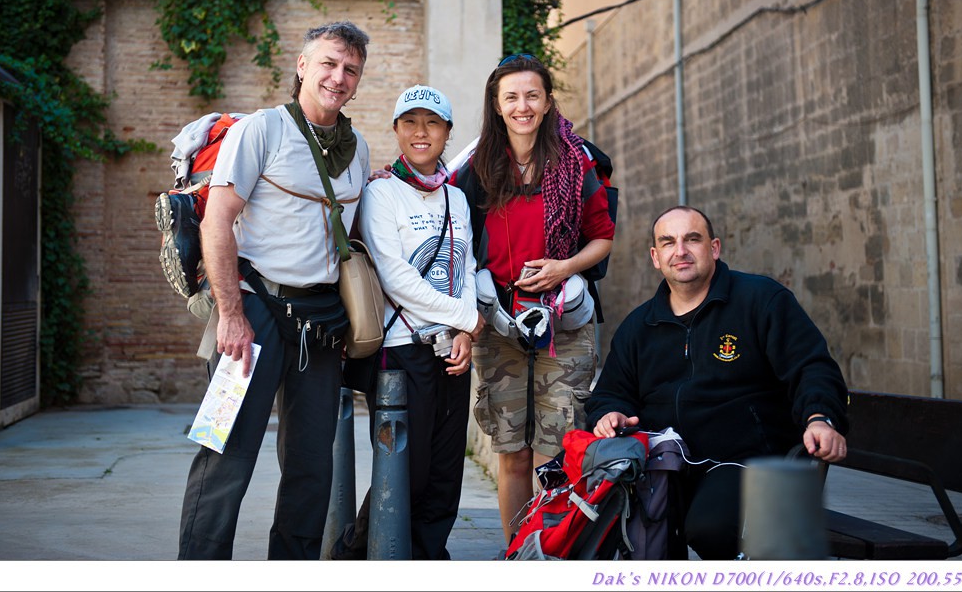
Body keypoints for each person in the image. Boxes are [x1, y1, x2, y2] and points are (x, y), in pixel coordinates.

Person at [177, 20, 372, 559]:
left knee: (313, 468)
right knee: (224, 454)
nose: (338, 76)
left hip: (321, 324)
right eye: (328, 63)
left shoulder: (358, 150)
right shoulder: (260, 130)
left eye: (350, 69)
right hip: (253, 311)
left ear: (358, 81)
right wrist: (231, 315)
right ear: (303, 66)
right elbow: (217, 223)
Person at [586, 205, 849, 560]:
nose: (680, 251)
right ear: (655, 257)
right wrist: (610, 413)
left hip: (746, 462)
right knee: (610, 522)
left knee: (709, 529)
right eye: (668, 243)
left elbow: (812, 367)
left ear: (714, 248)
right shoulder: (639, 326)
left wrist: (819, 417)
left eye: (692, 239)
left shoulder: (761, 300)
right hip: (667, 466)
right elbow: (610, 393)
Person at [450, 54, 616, 545]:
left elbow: (603, 238)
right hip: (499, 323)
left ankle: (551, 556)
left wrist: (563, 267)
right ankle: (518, 557)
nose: (522, 106)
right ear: (497, 107)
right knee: (512, 453)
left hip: (563, 324)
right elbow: (451, 231)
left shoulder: (574, 162)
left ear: (546, 103)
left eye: (531, 95)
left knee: (552, 452)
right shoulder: (476, 168)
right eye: (511, 97)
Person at [354, 84, 485, 559]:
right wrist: (468, 319)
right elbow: (395, 276)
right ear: (396, 130)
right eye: (410, 122)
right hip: (402, 348)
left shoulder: (457, 198)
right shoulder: (381, 193)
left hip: (451, 347)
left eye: (432, 123)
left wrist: (465, 330)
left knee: (447, 471)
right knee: (408, 469)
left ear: (448, 132)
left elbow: (464, 268)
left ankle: (431, 558)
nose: (421, 132)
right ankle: (364, 555)